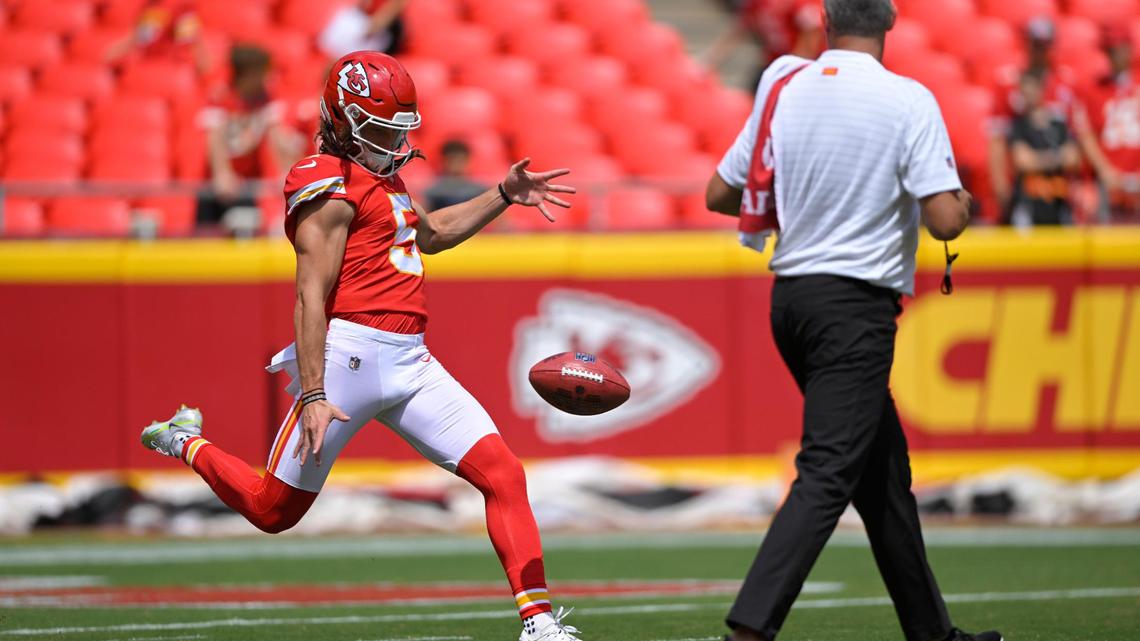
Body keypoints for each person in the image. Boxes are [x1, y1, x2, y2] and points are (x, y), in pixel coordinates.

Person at [141, 52, 580, 641]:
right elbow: (310, 295)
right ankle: (186, 439)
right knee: (274, 512)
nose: (391, 142)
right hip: (347, 357)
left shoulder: (382, 178)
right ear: (340, 120)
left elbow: (434, 235)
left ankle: (540, 625)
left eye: (398, 130)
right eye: (378, 129)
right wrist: (316, 390)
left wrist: (502, 192)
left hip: (412, 359)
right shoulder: (324, 181)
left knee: (503, 474)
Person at [704, 2, 1001, 641]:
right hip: (854, 308)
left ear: (825, 19)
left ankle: (932, 633)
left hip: (791, 299)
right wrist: (966, 202)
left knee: (883, 476)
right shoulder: (907, 98)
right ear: (890, 21)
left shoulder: (784, 83)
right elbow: (945, 220)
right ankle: (749, 630)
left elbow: (721, 194)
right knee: (830, 470)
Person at [196, 46, 302, 227]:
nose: (268, 77)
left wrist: (287, 170)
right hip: (217, 183)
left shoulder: (266, 98)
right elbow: (215, 137)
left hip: (246, 185)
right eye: (263, 72)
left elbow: (275, 134)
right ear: (248, 74)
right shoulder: (222, 97)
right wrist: (222, 172)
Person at [986, 16, 1078, 215]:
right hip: (1021, 188)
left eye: (1044, 45)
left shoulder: (1065, 82)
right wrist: (1000, 185)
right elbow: (997, 139)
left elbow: (1075, 141)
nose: (1040, 50)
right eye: (1036, 44)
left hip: (1058, 188)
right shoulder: (1008, 83)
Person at [1074, 25, 1140, 222]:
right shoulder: (1094, 90)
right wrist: (1105, 170)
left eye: (1117, 49)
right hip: (1107, 187)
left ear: (1129, 48)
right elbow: (1086, 134)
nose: (1113, 55)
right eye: (1109, 50)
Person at [1007, 71, 1081, 227]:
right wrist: (1056, 157)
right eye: (1024, 92)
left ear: (1041, 90)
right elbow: (1023, 162)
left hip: (1059, 204)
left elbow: (1073, 158)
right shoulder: (1018, 125)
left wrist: (1038, 159)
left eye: (1032, 90)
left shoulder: (1058, 124)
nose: (1028, 96)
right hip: (1029, 206)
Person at [105, 0, 210, 76]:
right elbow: (138, 39)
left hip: (170, 69)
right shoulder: (148, 6)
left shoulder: (181, 6)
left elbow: (193, 42)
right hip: (147, 66)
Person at [319, 0, 409, 60]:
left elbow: (381, 21)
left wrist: (363, 33)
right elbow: (362, 7)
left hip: (383, 32)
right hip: (367, 22)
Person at [424, 140, 488, 211]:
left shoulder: (480, 190)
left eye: (460, 160)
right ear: (444, 161)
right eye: (452, 160)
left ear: (468, 160)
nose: (456, 164)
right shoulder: (433, 191)